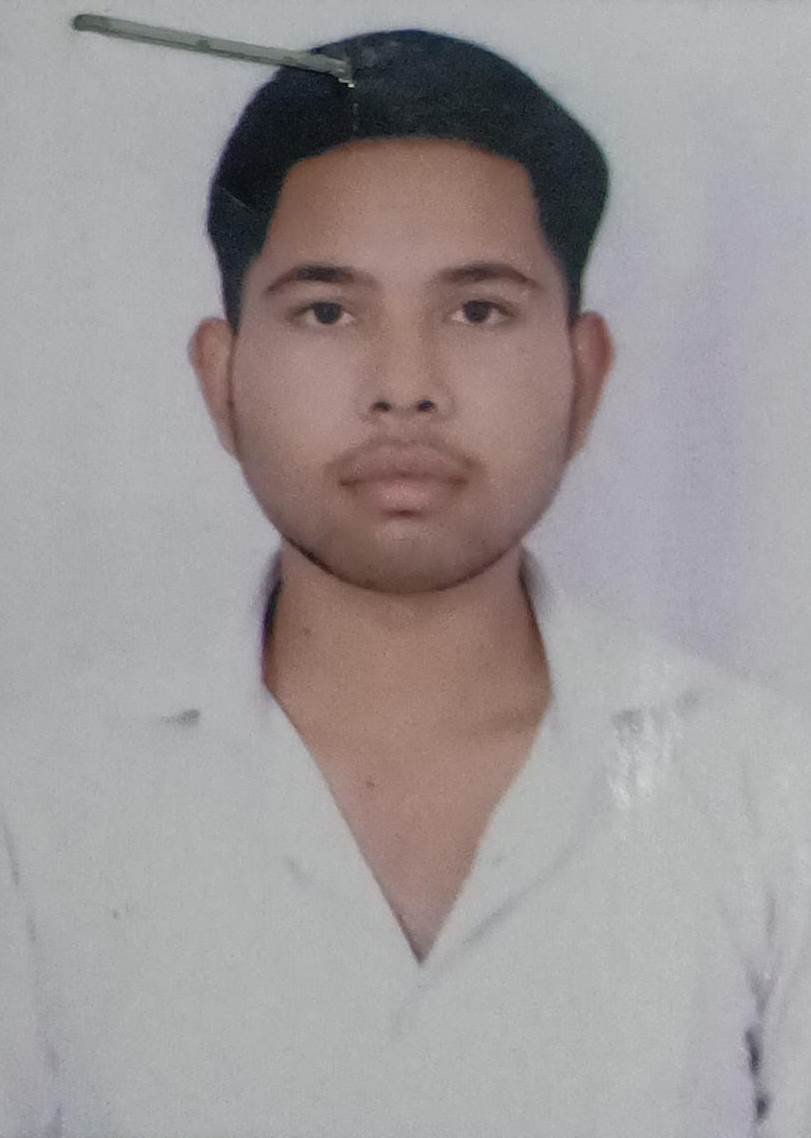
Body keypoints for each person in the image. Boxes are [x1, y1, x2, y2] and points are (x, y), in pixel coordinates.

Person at [2, 26, 810, 1138]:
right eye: (327, 311)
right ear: (221, 378)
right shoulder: (39, 804)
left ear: (583, 375)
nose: (404, 387)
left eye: (477, 310)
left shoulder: (769, 793)